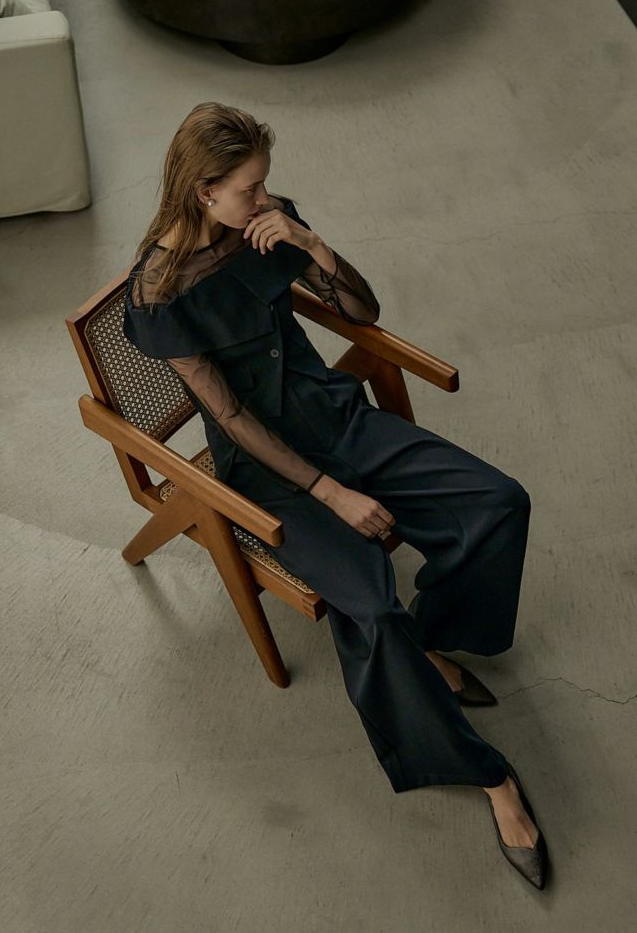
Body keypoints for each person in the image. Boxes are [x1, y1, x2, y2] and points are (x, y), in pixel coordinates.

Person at [122, 101, 549, 889]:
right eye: (250, 189)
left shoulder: (267, 224)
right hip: (266, 471)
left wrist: (313, 245)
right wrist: (328, 491)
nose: (265, 198)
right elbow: (231, 416)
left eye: (265, 184)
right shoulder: (159, 295)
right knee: (372, 614)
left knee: (499, 502)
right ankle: (492, 779)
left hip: (337, 416)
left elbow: (362, 313)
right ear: (203, 190)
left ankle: (434, 639)